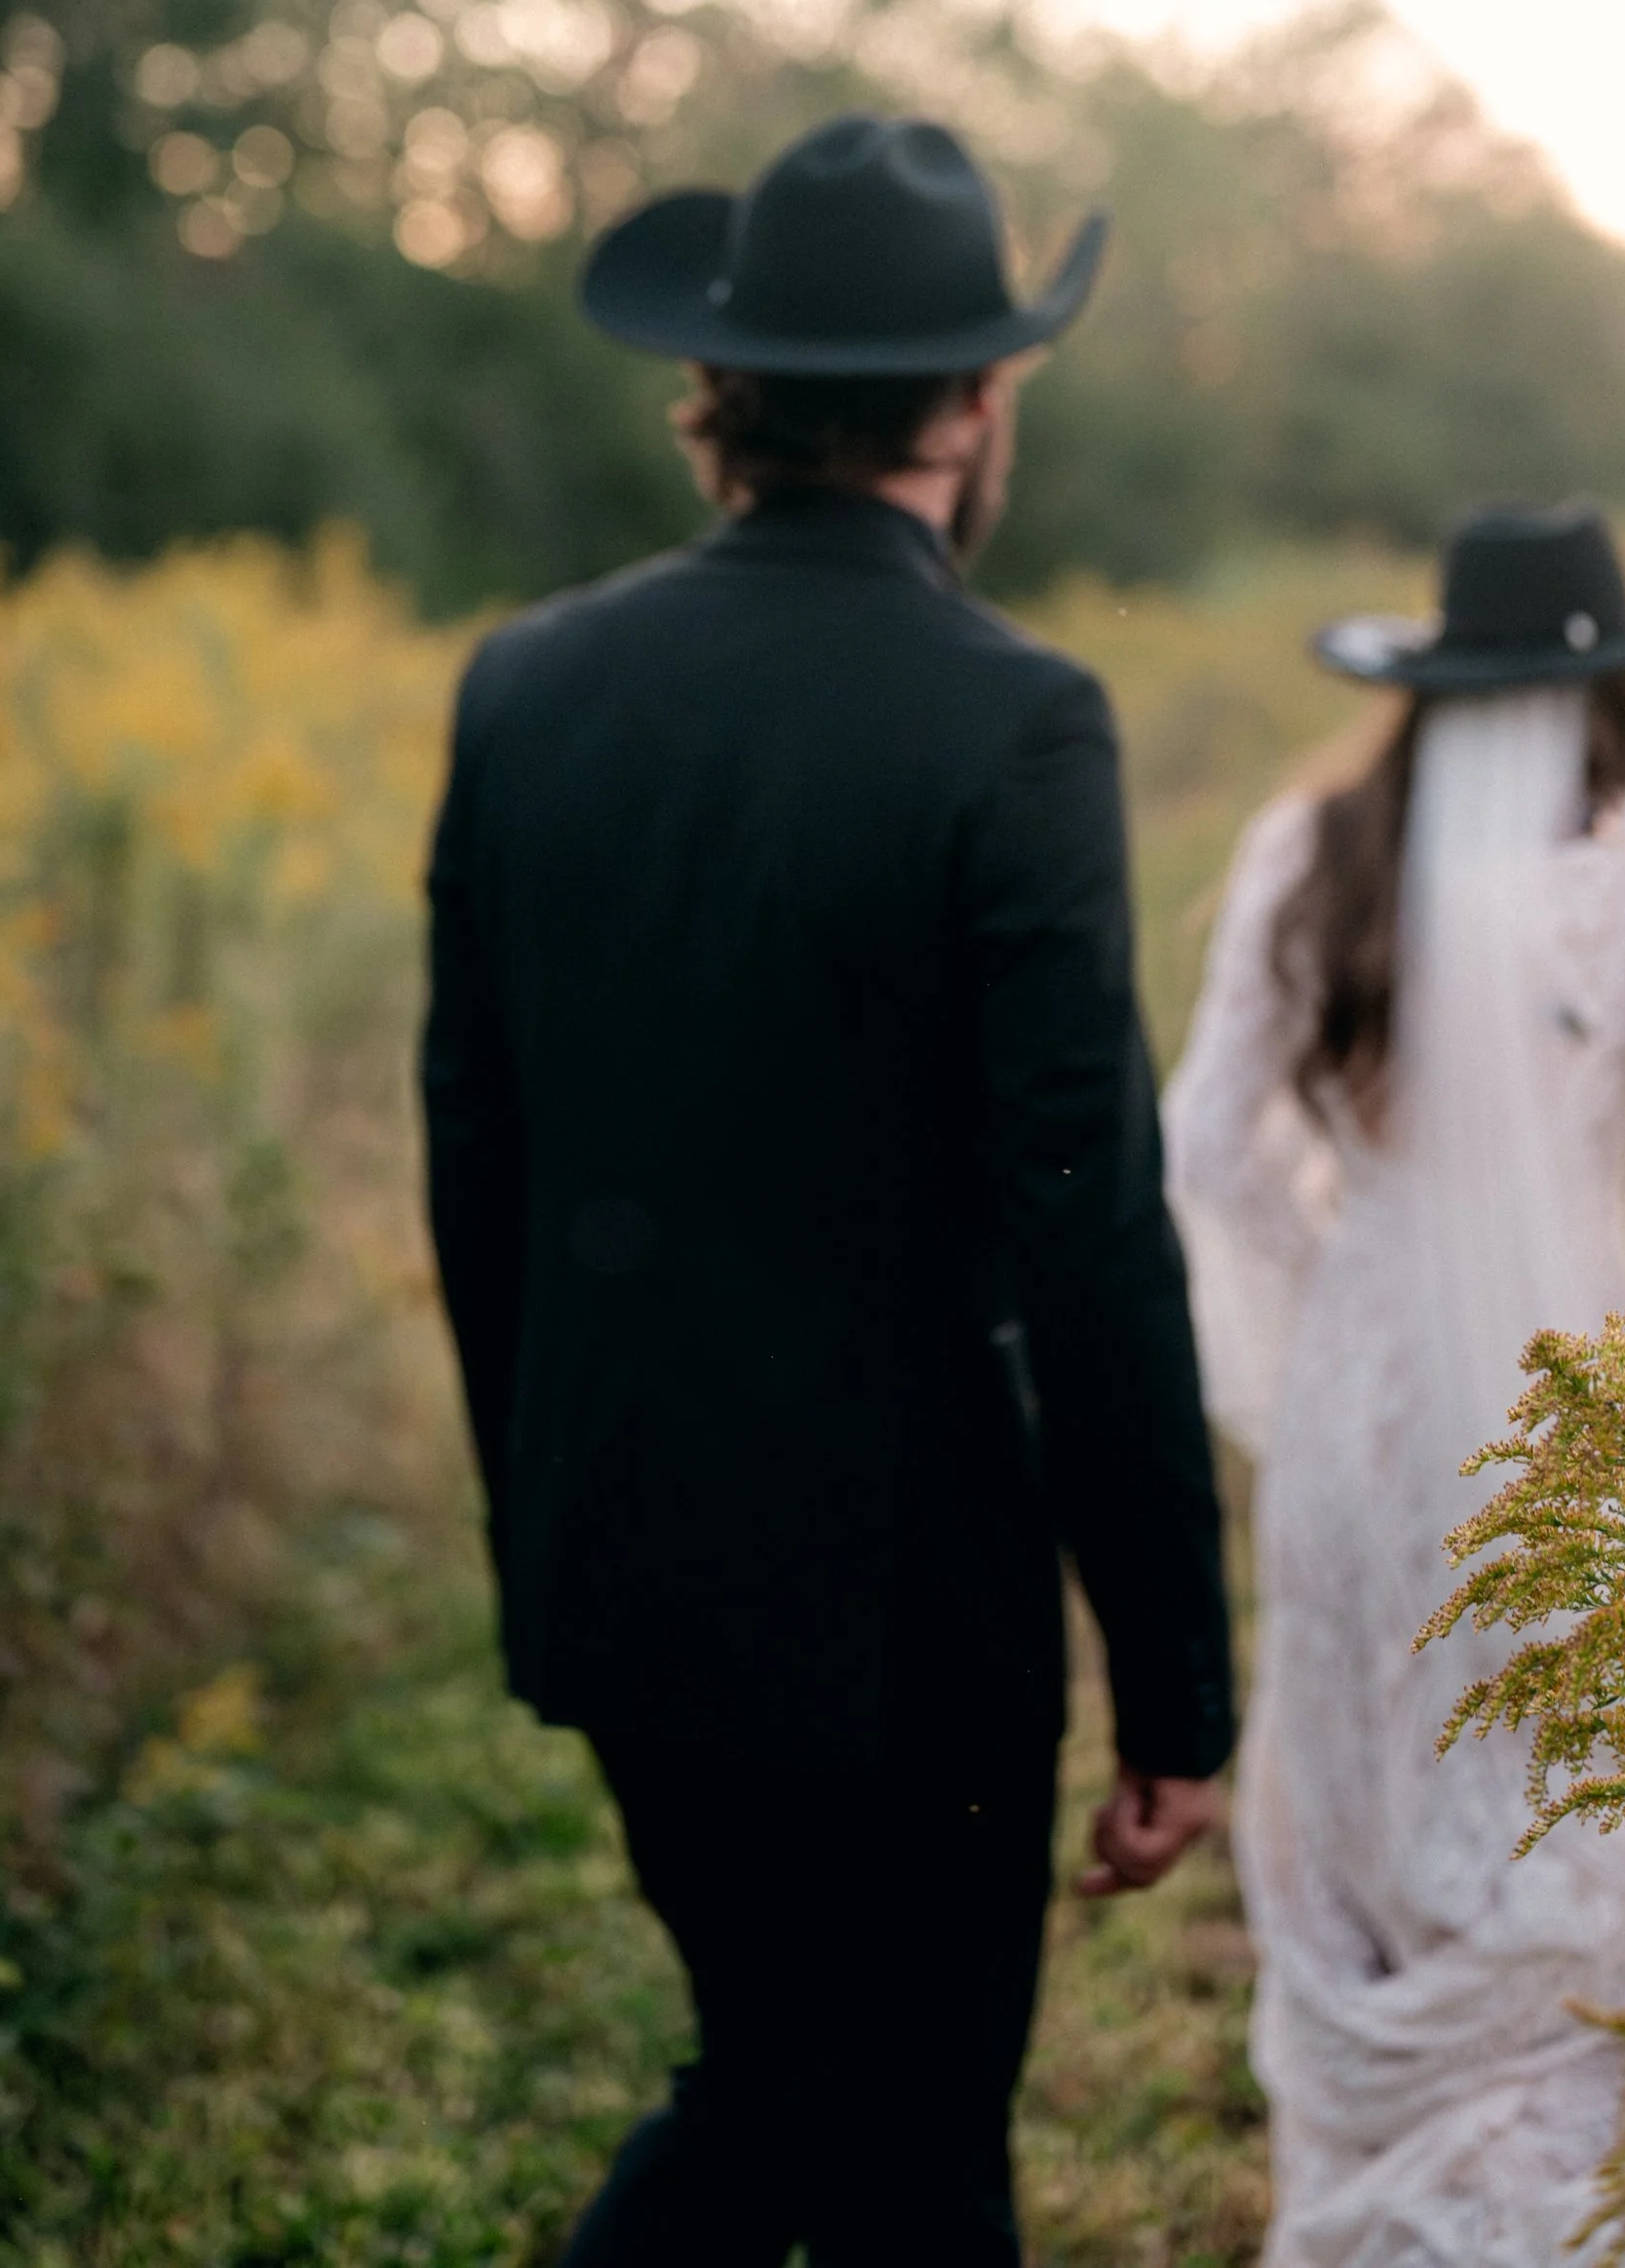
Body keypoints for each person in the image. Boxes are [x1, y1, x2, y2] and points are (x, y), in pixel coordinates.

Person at [422, 111, 1235, 2268]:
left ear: (722, 392)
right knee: (896, 2133)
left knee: (774, 2068)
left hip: (622, 1557)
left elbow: (471, 1160)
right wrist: (1172, 1683)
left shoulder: (524, 686)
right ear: (975, 404)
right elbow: (1088, 1226)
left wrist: (547, 1520)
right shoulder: (1013, 721)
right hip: (911, 1611)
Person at [1164, 502, 1625, 2268]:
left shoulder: (1310, 848)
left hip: (1361, 1417)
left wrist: (1331, 1307)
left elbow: (1205, 1152)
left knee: (1370, 1834)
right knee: (1572, 1845)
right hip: (1573, 1418)